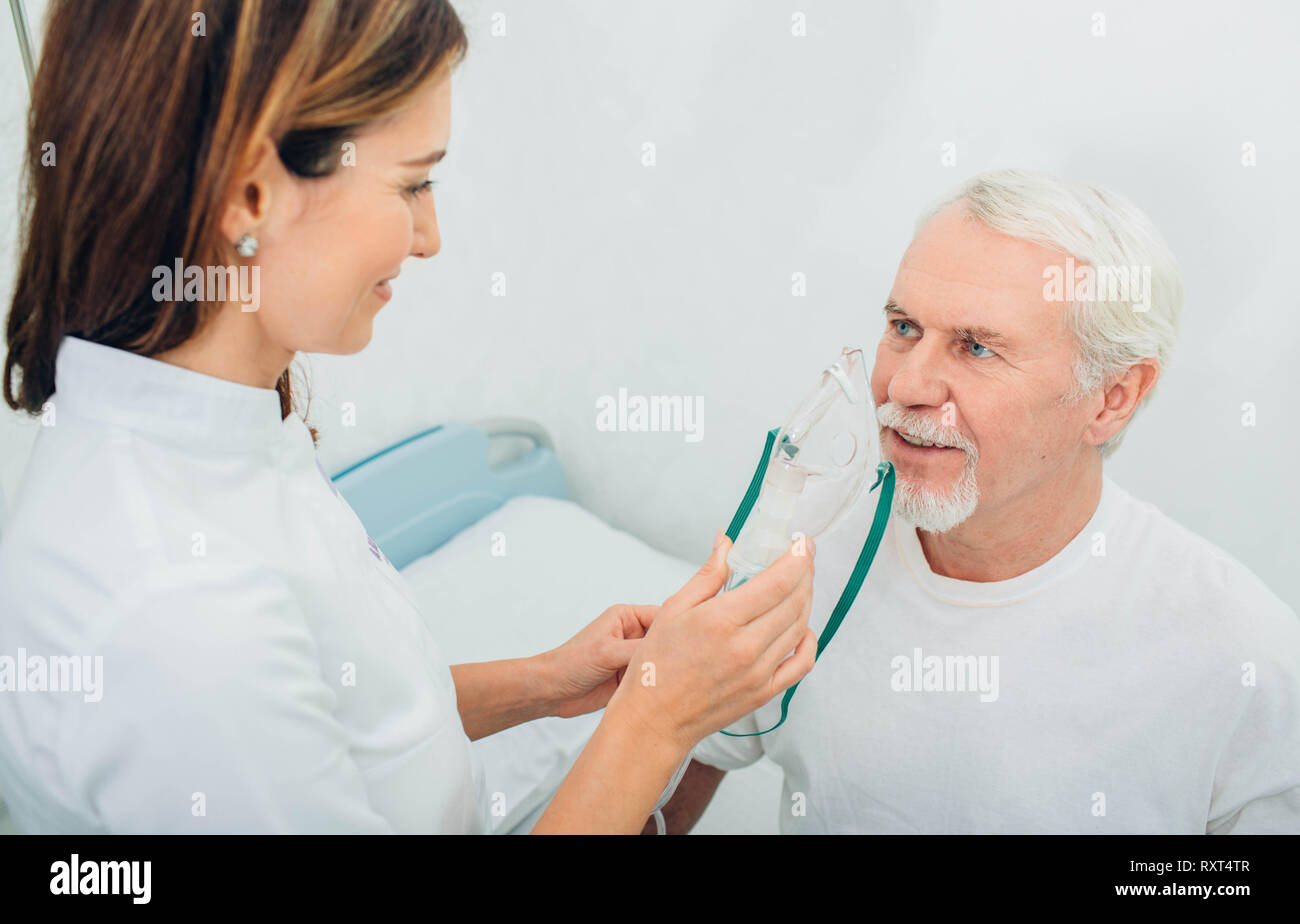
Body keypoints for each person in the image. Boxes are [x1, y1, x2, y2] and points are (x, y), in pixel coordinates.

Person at [0, 0, 817, 834]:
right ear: (250, 192)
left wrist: (549, 679)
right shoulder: (181, 619)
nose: (430, 237)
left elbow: (347, 724)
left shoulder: (221, 444)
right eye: (412, 183)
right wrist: (658, 716)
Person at [664, 169, 1300, 834]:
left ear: (1113, 397)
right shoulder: (803, 547)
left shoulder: (1243, 659)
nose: (906, 384)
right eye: (904, 327)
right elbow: (662, 772)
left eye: (976, 347)